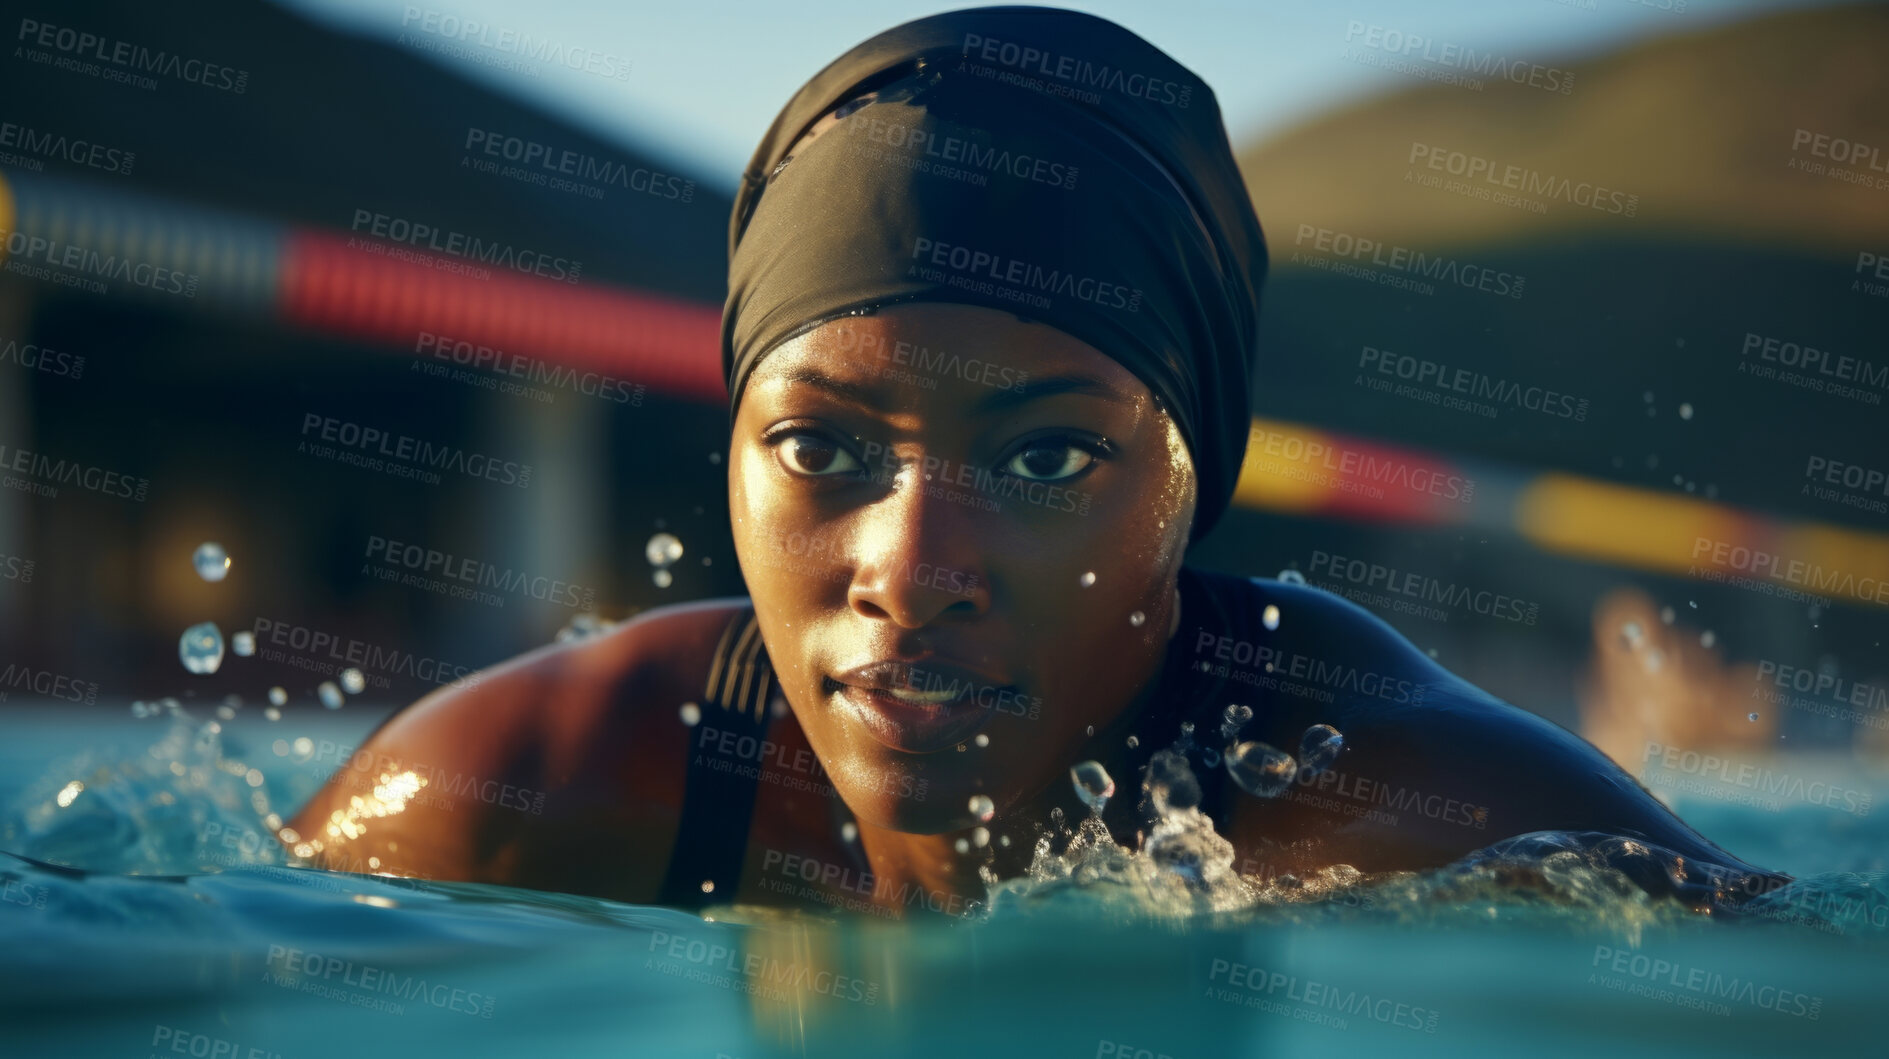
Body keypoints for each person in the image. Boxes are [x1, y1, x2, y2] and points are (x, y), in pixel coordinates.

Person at [284, 6, 1789, 917]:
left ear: (1194, 483)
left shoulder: (1412, 812)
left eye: (1051, 455)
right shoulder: (512, 789)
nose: (913, 571)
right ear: (730, 446)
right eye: (818, 446)